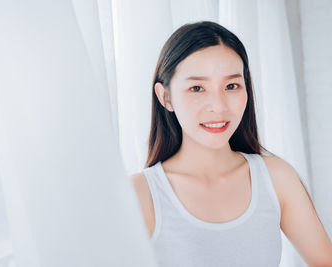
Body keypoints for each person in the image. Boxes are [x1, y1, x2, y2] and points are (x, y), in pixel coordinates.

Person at [131, 21, 332, 266]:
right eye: (197, 88)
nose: (219, 106)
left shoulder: (277, 178)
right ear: (166, 97)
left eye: (231, 86)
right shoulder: (141, 194)